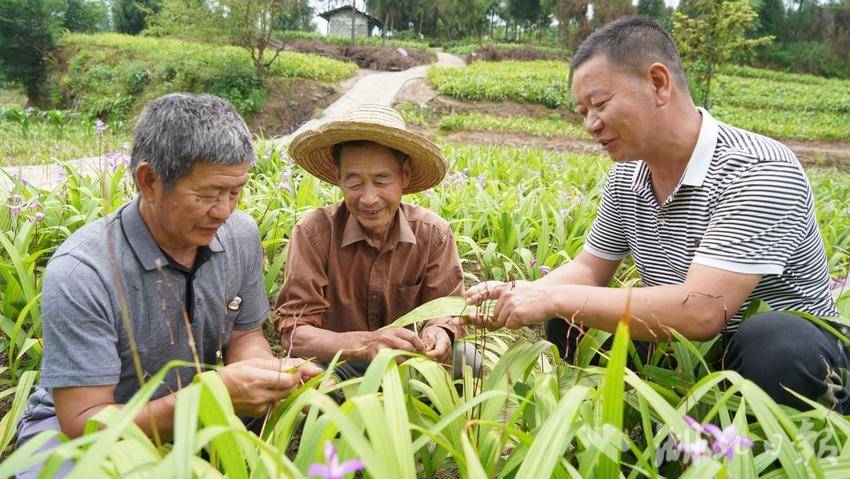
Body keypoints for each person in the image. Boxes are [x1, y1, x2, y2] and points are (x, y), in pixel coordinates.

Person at [464, 17, 846, 412]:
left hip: (794, 362)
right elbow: (589, 270)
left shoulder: (757, 169)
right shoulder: (627, 175)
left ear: (659, 83)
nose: (590, 124)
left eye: (599, 104)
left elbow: (703, 311)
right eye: (582, 111)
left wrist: (554, 296)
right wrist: (515, 295)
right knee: (571, 318)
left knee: (773, 342)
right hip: (688, 353)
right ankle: (640, 431)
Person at [16, 93, 320, 477]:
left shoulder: (239, 235)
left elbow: (244, 337)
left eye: (235, 192)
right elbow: (85, 422)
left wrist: (266, 374)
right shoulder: (83, 271)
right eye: (208, 194)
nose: (225, 211)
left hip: (196, 403)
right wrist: (210, 398)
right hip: (89, 427)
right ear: (149, 181)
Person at [275, 104, 480, 379]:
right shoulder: (314, 233)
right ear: (338, 177)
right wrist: (363, 344)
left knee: (468, 361)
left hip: (409, 363)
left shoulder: (433, 234)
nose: (368, 198)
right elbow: (295, 336)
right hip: (338, 363)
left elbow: (447, 309)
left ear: (404, 175)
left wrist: (439, 330)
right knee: (303, 377)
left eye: (382, 180)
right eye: (354, 182)